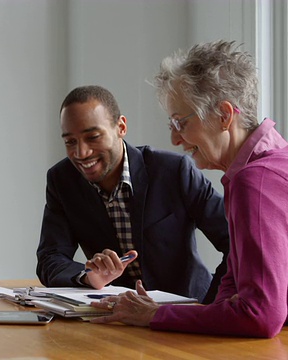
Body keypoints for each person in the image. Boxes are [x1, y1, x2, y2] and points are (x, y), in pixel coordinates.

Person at [90, 40, 288, 338]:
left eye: (179, 122)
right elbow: (233, 288)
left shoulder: (255, 181)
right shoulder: (258, 168)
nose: (174, 139)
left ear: (224, 115)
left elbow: (260, 315)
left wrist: (156, 314)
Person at [36, 85, 230, 304]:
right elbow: (50, 258)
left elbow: (234, 242)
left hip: (183, 311)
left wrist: (211, 305)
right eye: (70, 142)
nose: (81, 153)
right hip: (117, 317)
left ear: (121, 127)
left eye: (93, 137)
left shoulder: (174, 171)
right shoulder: (62, 180)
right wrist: (89, 277)